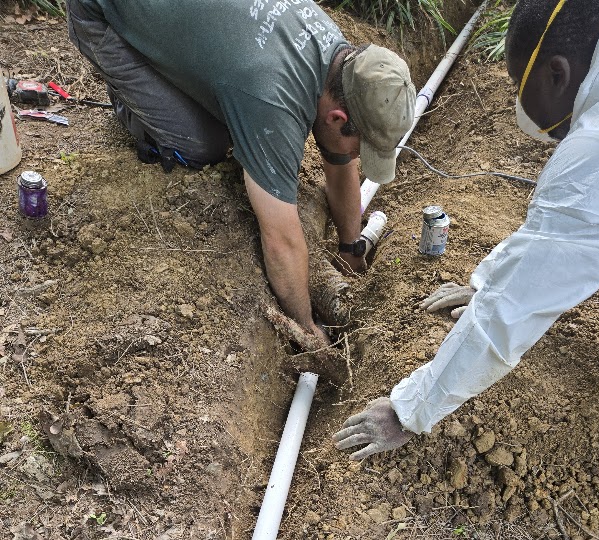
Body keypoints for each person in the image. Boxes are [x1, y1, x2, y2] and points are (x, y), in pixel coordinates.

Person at [334, 0, 599, 470]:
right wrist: (485, 283)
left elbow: (513, 311)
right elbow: (554, 235)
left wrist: (409, 409)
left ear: (557, 74)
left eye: (523, 87)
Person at [65, 0, 416, 347]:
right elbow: (281, 239)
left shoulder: (339, 60)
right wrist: (306, 326)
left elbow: (339, 160)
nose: (354, 158)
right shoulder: (272, 99)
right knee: (203, 145)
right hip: (100, 12)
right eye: (359, 148)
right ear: (337, 118)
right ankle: (131, 98)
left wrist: (351, 247)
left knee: (234, 114)